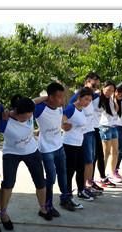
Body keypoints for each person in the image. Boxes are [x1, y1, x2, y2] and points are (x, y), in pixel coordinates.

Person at [0, 97, 50, 230]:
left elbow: (36, 100)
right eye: (24, 118)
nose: (28, 119)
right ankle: (3, 213)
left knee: (40, 182)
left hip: (32, 151)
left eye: (29, 117)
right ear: (16, 112)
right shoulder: (4, 122)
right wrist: (3, 110)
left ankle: (43, 208)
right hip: (11, 154)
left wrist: (48, 96)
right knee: (8, 184)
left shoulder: (28, 107)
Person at [34, 82, 75, 213]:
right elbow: (26, 104)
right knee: (51, 178)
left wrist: (64, 126)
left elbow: (59, 122)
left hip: (59, 147)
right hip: (46, 150)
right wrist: (44, 98)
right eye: (59, 97)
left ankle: (65, 198)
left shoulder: (59, 108)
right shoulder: (40, 108)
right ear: (50, 97)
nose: (62, 100)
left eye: (63, 97)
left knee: (63, 174)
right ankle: (47, 205)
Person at [62, 86, 94, 205]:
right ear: (79, 98)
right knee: (70, 171)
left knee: (80, 169)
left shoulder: (81, 109)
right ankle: (68, 195)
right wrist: (64, 124)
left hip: (79, 143)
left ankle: (81, 191)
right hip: (69, 144)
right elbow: (63, 118)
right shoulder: (71, 108)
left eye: (89, 100)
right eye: (86, 99)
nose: (88, 102)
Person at [97, 80, 121, 185]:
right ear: (103, 88)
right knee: (105, 153)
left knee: (115, 152)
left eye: (112, 90)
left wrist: (114, 98)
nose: (110, 92)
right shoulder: (99, 97)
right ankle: (101, 176)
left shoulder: (111, 99)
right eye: (108, 89)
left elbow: (116, 110)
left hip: (113, 126)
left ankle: (112, 173)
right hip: (105, 127)